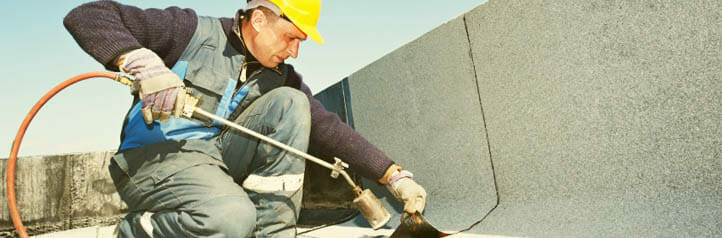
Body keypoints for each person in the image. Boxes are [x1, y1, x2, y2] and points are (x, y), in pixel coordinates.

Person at [64, 0, 426, 237]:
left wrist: (394, 177)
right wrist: (142, 63)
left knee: (292, 103)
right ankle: (135, 230)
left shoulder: (279, 75)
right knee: (231, 219)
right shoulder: (191, 31)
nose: (294, 50)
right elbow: (87, 16)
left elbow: (328, 129)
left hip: (212, 160)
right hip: (155, 158)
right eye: (290, 37)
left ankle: (271, 232)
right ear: (258, 19)